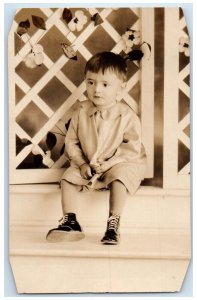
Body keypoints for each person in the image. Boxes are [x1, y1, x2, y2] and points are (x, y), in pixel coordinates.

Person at [46, 51, 147, 245]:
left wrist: (111, 163)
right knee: (68, 177)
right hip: (88, 162)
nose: (96, 90)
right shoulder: (81, 112)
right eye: (90, 82)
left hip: (119, 162)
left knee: (120, 178)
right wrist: (82, 164)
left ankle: (113, 223)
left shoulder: (127, 116)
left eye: (105, 84)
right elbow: (71, 143)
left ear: (120, 89)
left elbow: (131, 148)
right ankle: (70, 221)